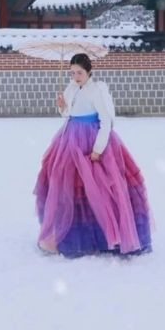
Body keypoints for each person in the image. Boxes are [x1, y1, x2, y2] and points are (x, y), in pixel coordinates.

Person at [34, 53, 152, 258]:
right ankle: (71, 235)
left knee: (101, 189)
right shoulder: (71, 88)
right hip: (69, 140)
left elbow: (106, 121)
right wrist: (62, 106)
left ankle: (106, 236)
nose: (76, 76)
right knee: (66, 185)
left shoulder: (97, 91)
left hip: (92, 140)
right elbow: (68, 114)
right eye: (72, 73)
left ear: (89, 71)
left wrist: (98, 149)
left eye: (79, 72)